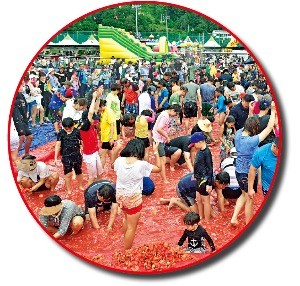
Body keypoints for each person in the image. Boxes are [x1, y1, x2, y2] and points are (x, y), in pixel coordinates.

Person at [230, 101, 276, 226]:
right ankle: (248, 225)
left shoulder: (238, 134)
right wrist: (273, 110)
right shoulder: (252, 141)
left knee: (244, 195)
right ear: (254, 128)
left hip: (238, 170)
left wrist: (251, 112)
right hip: (248, 174)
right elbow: (269, 128)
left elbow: (249, 122)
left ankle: (233, 218)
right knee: (250, 200)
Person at [112, 139, 162, 250]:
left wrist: (116, 150)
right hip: (133, 197)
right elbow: (159, 169)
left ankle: (125, 241)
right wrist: (156, 151)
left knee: (126, 218)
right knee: (132, 227)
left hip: (120, 195)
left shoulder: (120, 161)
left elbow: (112, 165)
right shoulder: (141, 165)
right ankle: (126, 252)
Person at [152, 104, 181, 183]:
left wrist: (168, 131)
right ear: (172, 110)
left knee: (161, 159)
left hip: (159, 139)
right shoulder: (165, 117)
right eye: (176, 113)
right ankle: (164, 179)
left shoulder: (165, 114)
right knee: (163, 160)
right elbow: (159, 129)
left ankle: (161, 174)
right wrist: (167, 137)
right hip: (158, 140)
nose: (175, 115)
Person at [54, 117, 84, 195]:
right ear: (63, 127)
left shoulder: (77, 132)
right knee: (67, 173)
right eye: (66, 128)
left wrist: (82, 148)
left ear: (73, 125)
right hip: (66, 156)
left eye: (69, 128)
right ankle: (69, 189)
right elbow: (58, 145)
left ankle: (80, 185)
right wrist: (55, 158)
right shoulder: (61, 133)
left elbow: (81, 142)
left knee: (79, 171)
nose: (68, 129)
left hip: (76, 155)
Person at [79, 90, 103, 186]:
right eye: (94, 119)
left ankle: (99, 189)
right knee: (92, 177)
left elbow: (95, 109)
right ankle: (87, 194)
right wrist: (93, 98)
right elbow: (91, 112)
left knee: (100, 174)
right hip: (89, 155)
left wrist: (98, 97)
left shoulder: (91, 125)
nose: (95, 121)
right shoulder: (85, 127)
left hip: (95, 152)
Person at [192, 132, 214, 221]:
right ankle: (201, 217)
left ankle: (207, 221)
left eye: (194, 144)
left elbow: (210, 168)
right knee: (199, 200)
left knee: (206, 202)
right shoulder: (200, 151)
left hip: (204, 180)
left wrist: (209, 183)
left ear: (200, 142)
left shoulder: (207, 152)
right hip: (198, 179)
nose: (194, 146)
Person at [98, 99, 117, 168]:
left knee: (102, 154)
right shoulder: (103, 111)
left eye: (98, 107)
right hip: (105, 136)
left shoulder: (108, 112)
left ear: (102, 106)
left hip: (108, 137)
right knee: (110, 150)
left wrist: (111, 138)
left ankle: (100, 170)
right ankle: (113, 165)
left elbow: (112, 125)